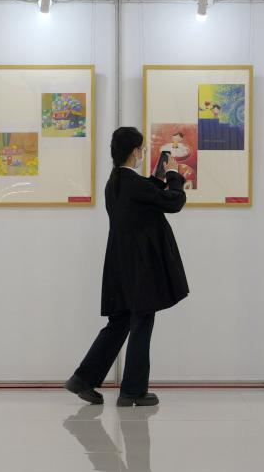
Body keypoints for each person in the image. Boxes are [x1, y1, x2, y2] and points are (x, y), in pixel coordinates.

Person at [65, 126, 188, 407]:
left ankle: (83, 379)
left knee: (119, 322)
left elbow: (145, 196)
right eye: (141, 149)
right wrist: (173, 175)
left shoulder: (116, 182)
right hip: (140, 266)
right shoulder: (132, 184)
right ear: (135, 151)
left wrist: (157, 177)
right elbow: (174, 202)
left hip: (120, 264)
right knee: (142, 321)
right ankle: (133, 391)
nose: (142, 153)